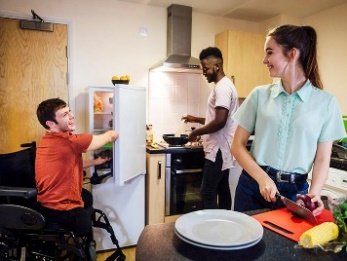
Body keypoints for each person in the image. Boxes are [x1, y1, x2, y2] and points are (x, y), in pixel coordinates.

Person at [231, 25, 346, 216]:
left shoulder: (327, 103)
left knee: (285, 246)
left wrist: (314, 194)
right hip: (252, 187)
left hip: (295, 195)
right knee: (243, 244)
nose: (264, 60)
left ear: (292, 54)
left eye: (269, 52)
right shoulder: (259, 95)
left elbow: (322, 158)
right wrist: (263, 179)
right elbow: (237, 145)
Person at [35, 98, 119, 240]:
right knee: (84, 224)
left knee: (86, 196)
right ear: (50, 123)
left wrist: (96, 161)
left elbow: (68, 163)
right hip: (60, 209)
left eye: (70, 111)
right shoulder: (71, 141)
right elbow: (110, 136)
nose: (72, 116)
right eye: (64, 115)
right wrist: (122, 126)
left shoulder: (48, 140)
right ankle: (85, 250)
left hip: (46, 202)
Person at [182, 47, 239, 209]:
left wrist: (195, 132)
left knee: (208, 191)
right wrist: (197, 119)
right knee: (222, 188)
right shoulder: (225, 85)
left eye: (206, 68)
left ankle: (210, 230)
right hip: (222, 148)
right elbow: (218, 118)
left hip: (218, 150)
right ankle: (223, 225)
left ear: (217, 66)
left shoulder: (222, 88)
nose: (204, 72)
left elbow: (220, 121)